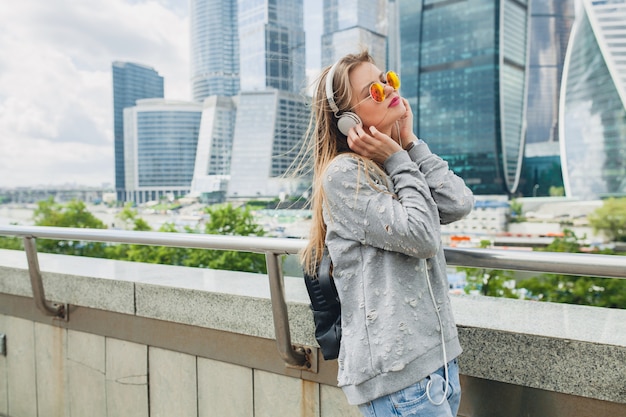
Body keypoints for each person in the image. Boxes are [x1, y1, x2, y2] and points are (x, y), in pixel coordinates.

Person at [300, 51, 475, 417]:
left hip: (435, 363)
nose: (387, 89)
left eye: (387, 80)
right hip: (399, 379)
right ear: (349, 123)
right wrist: (399, 158)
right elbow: (422, 235)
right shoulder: (344, 175)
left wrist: (408, 143)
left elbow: (457, 203)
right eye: (373, 91)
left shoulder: (392, 167)